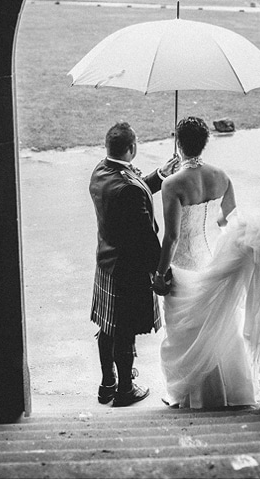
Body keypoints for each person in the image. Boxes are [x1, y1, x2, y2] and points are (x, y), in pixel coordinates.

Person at [153, 117, 260, 408]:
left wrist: (159, 274)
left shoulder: (171, 184)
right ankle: (228, 393)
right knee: (218, 328)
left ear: (178, 143)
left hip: (184, 267)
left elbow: (172, 236)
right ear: (204, 142)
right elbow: (229, 221)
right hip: (212, 260)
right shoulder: (221, 177)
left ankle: (191, 395)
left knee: (185, 333)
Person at [89, 122, 178, 407]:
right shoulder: (128, 187)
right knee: (124, 331)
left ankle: (107, 385)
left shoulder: (101, 171)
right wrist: (161, 272)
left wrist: (160, 176)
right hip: (127, 268)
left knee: (107, 327)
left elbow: (132, 192)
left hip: (107, 262)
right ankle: (125, 390)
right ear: (133, 148)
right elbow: (146, 237)